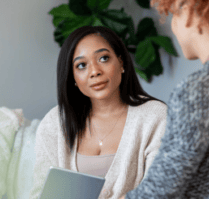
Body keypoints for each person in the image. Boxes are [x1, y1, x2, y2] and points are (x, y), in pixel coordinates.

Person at [119, 0, 209, 198]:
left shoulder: (199, 90)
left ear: (188, 11)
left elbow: (160, 191)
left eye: (173, 15)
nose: (172, 26)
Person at [29, 26, 168, 199]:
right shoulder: (55, 122)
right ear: (72, 78)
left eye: (103, 58)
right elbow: (40, 193)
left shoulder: (154, 116)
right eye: (81, 65)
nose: (95, 71)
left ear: (121, 62)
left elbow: (162, 190)